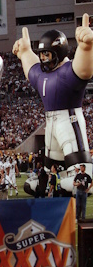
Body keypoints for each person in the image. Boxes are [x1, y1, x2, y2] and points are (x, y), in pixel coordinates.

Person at [13, 13, 93, 193]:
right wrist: (25, 51)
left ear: (59, 51)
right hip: (50, 123)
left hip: (69, 118)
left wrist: (86, 48)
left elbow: (83, 69)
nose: (43, 59)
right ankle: (53, 181)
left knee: (81, 171)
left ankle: (77, 180)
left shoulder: (67, 71)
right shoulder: (42, 75)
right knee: (50, 170)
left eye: (47, 54)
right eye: (41, 54)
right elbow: (31, 69)